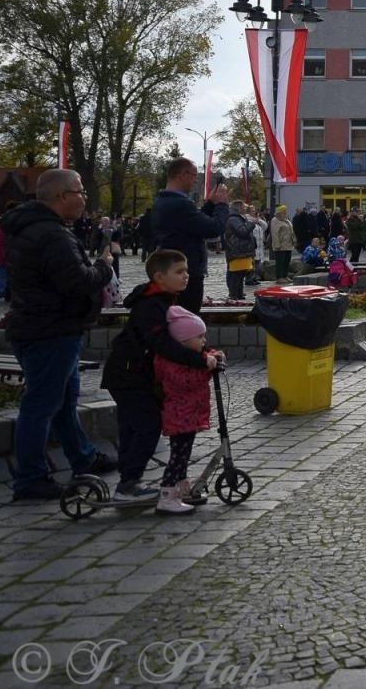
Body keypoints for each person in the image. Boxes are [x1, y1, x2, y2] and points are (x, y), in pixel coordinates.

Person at [0, 170, 119, 501]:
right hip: (49, 331)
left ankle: (82, 457)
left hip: (48, 326)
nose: (84, 198)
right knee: (41, 405)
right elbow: (78, 282)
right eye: (80, 191)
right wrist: (105, 265)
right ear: (62, 197)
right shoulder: (51, 235)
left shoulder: (33, 228)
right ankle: (31, 478)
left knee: (64, 401)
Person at [103, 250, 214, 502]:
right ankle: (128, 485)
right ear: (159, 277)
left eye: (186, 270)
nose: (186, 276)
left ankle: (128, 479)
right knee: (147, 425)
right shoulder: (151, 305)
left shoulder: (163, 299)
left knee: (133, 427)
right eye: (179, 272)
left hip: (134, 374)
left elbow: (180, 340)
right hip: (128, 374)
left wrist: (206, 352)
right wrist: (199, 360)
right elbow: (163, 342)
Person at [152, 305, 224, 514]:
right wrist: (206, 366)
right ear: (183, 342)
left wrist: (213, 356)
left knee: (184, 453)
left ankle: (181, 488)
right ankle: (167, 495)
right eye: (199, 337)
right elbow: (187, 381)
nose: (203, 341)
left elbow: (202, 356)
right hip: (180, 417)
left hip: (188, 416)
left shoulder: (189, 356)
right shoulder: (172, 362)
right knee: (178, 456)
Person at [148, 158, 230, 314]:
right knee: (186, 320)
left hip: (173, 269)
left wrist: (211, 204)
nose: (195, 180)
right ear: (183, 175)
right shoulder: (180, 203)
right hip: (186, 273)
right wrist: (222, 205)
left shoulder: (165, 200)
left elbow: (194, 225)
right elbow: (212, 229)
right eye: (194, 175)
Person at [221, 203, 257, 301]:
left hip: (241, 250)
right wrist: (250, 223)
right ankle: (234, 294)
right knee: (236, 274)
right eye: (244, 207)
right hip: (237, 250)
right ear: (239, 208)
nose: (246, 208)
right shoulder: (233, 219)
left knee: (241, 274)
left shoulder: (239, 218)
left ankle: (239, 293)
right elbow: (243, 231)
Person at [266, 205, 295, 280]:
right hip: (281, 245)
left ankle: (285, 276)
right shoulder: (275, 220)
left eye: (285, 211)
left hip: (288, 245)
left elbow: (291, 232)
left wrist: (294, 241)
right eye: (283, 211)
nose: (285, 212)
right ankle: (279, 277)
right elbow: (274, 233)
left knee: (286, 261)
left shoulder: (286, 220)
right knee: (280, 262)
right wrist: (277, 245)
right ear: (279, 212)